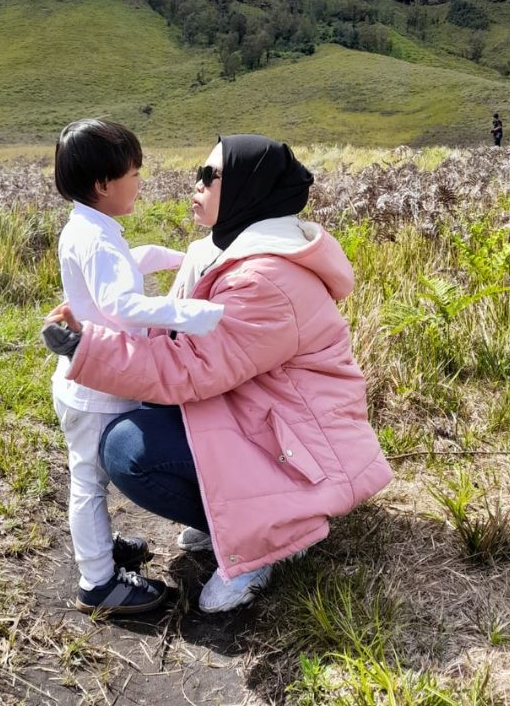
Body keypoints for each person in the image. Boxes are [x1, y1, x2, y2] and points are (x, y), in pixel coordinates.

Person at [44, 134, 393, 614]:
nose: (198, 183)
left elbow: (189, 367)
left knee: (128, 449)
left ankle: (271, 538)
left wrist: (90, 348)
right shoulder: (223, 251)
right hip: (261, 422)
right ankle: (227, 520)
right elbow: (178, 344)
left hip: (301, 452)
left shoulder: (263, 279)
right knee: (135, 424)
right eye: (198, 173)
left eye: (210, 176)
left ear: (249, 188)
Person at [48, 119, 224, 615]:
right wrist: (190, 313)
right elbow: (121, 305)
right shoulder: (98, 240)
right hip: (96, 388)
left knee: (89, 477)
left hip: (87, 376)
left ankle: (101, 549)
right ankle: (98, 581)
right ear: (104, 184)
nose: (140, 183)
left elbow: (130, 259)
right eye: (134, 174)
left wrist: (181, 258)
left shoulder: (88, 227)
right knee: (88, 482)